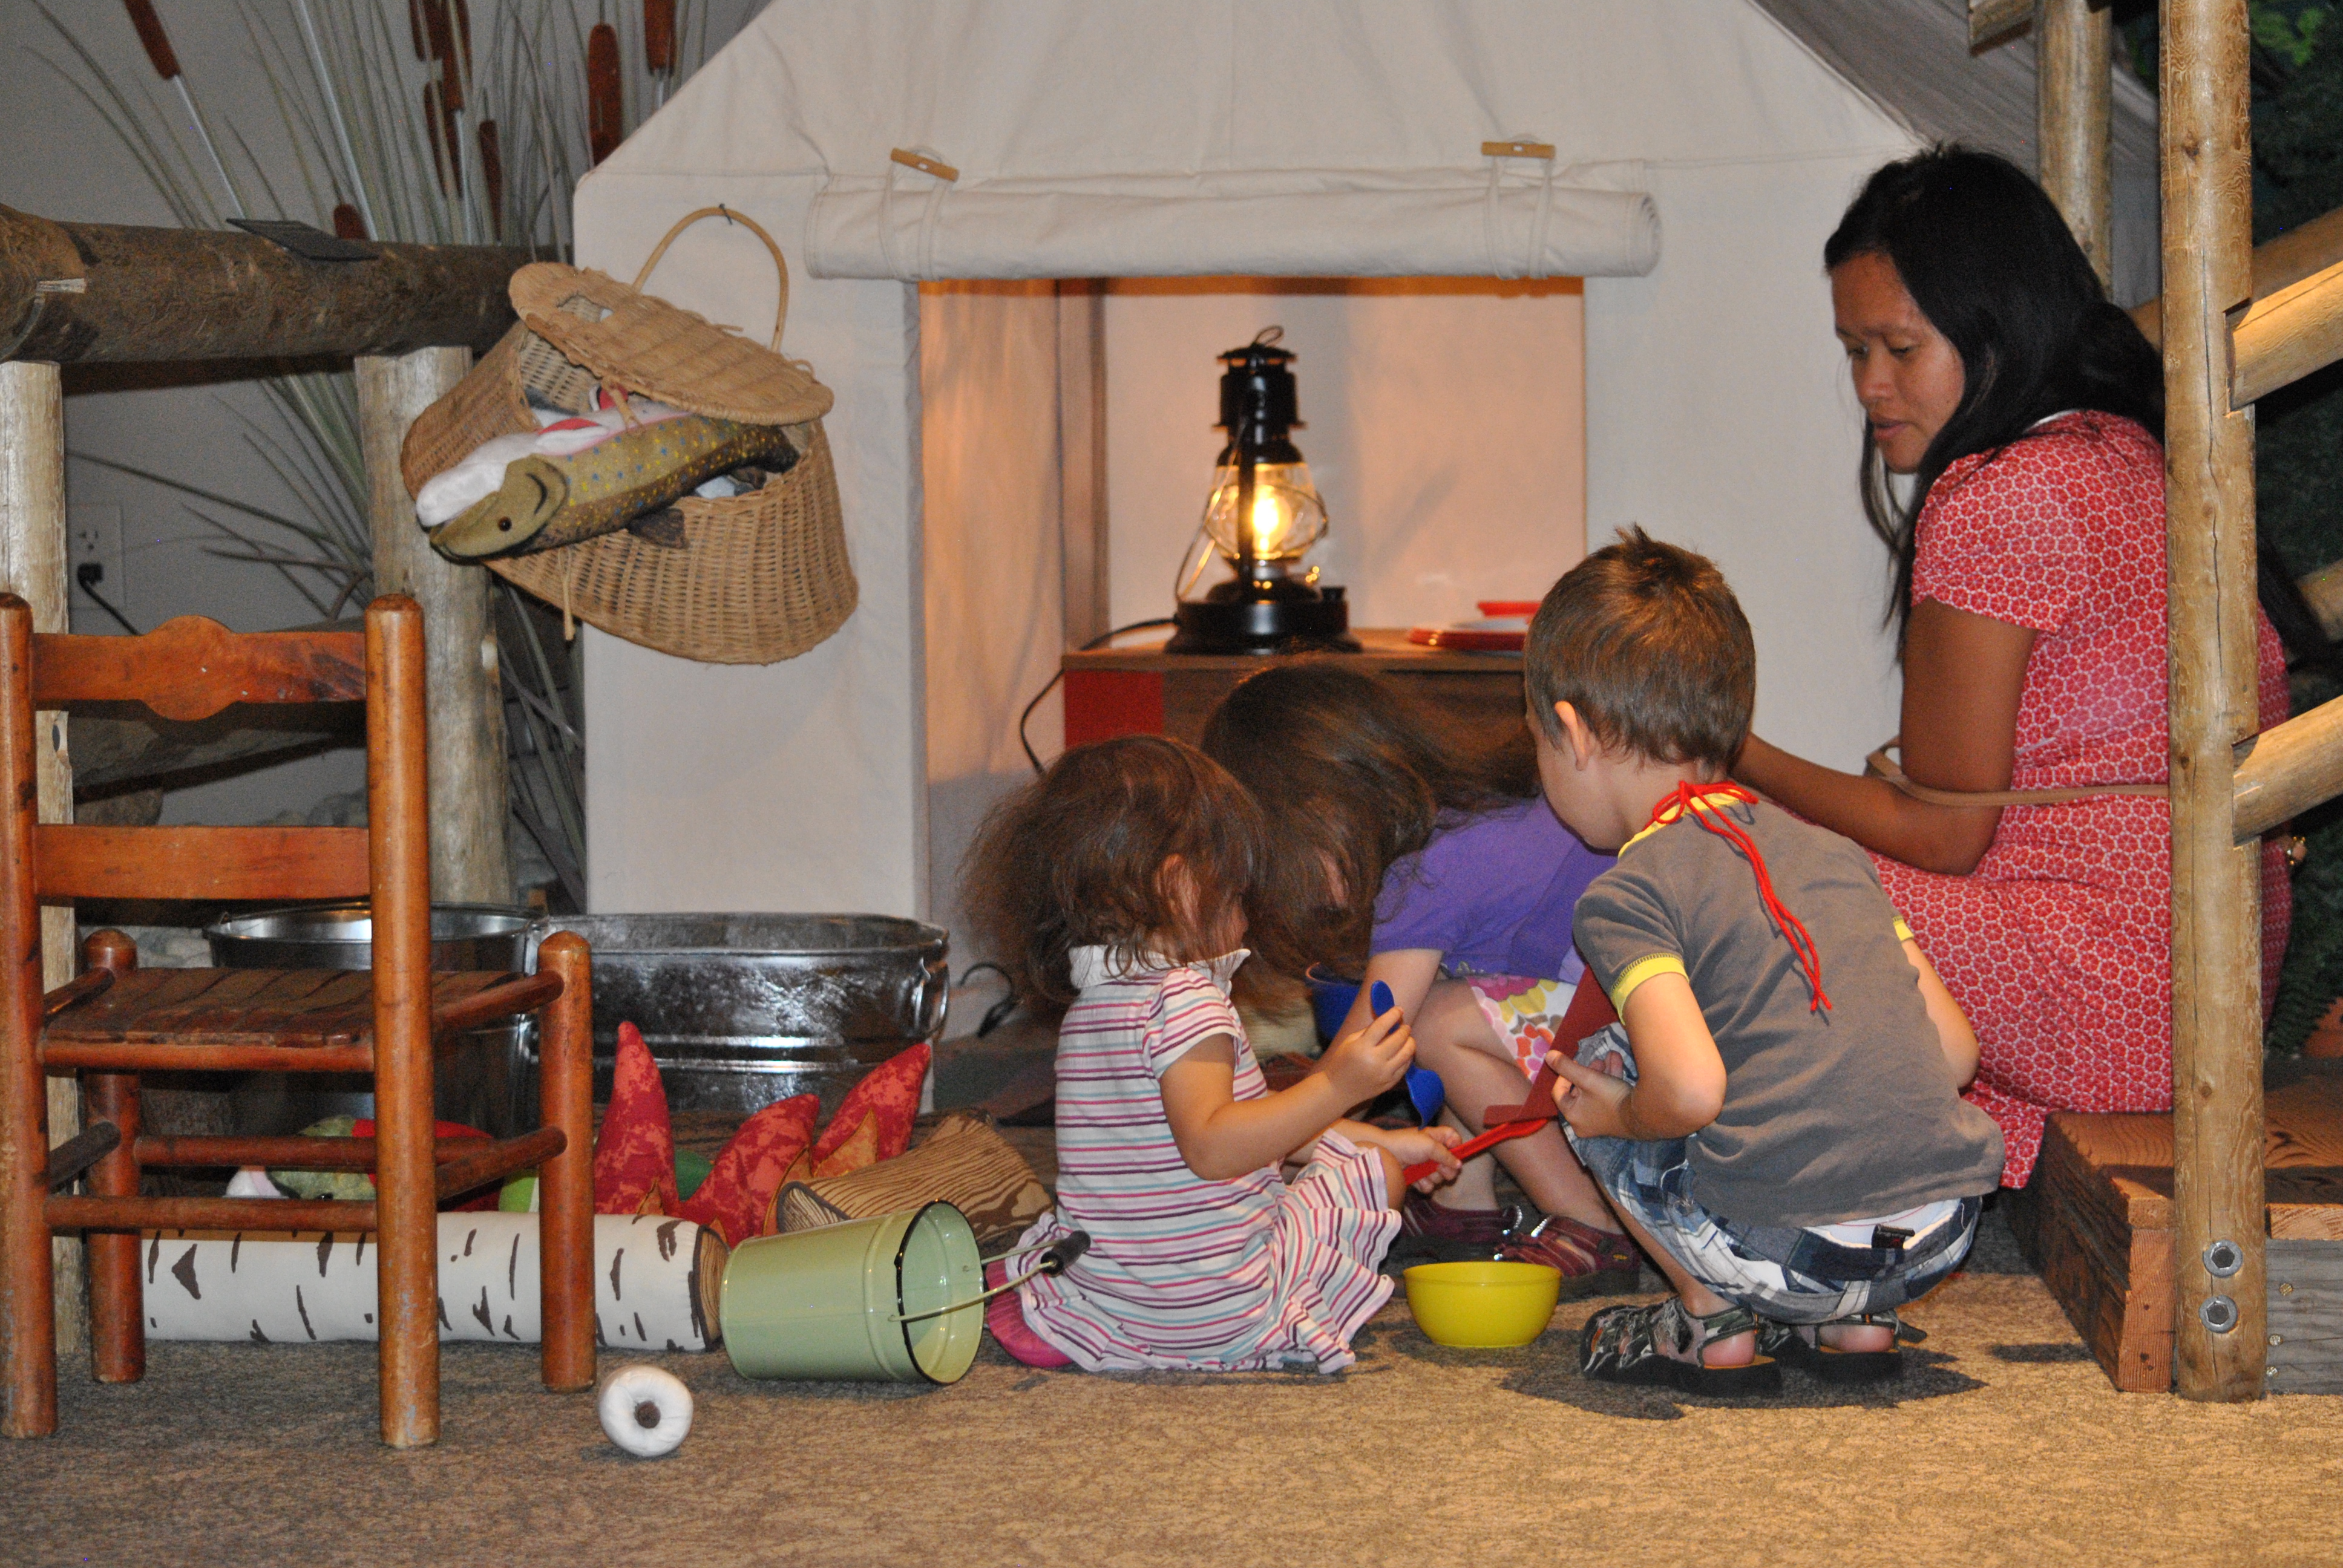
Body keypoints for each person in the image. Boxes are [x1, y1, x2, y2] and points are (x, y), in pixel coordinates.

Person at [1732, 147, 2292, 1187]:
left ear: (1995, 330)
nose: (1869, 386)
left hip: (2109, 997)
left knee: (1726, 862)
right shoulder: (2119, 448)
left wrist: (1731, 755)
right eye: (1852, 351)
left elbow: (1940, 834)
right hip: (2196, 997)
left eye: (1898, 348)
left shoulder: (2004, 493)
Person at [1532, 531, 2005, 1393]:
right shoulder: (1834, 853)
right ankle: (1861, 1329)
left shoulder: (1626, 895)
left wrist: (1617, 1118)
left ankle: (1708, 1325)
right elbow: (1956, 1055)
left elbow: (1690, 1093)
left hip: (1787, 1253)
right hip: (1942, 1232)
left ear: (1573, 733)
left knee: (1599, 1073)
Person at [964, 734, 1461, 1373]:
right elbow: (1213, 1146)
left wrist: (1373, 1136)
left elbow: (1204, 1131)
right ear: (1176, 886)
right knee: (1371, 1184)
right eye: (1233, 895)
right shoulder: (1185, 1000)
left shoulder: (1094, 1006)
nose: (1246, 917)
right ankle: (1268, 1322)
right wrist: (1338, 1085)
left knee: (1353, 1156)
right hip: (1220, 1304)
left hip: (1121, 1294)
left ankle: (1080, 1316)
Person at [1200, 663, 1632, 1288]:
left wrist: (1265, 1134)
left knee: (1427, 1024)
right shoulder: (1465, 818)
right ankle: (1464, 1208)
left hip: (1631, 1046)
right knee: (1451, 1004)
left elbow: (1366, 1051)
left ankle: (1591, 1225)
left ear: (1327, 809)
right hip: (1629, 1022)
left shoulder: (1423, 875)